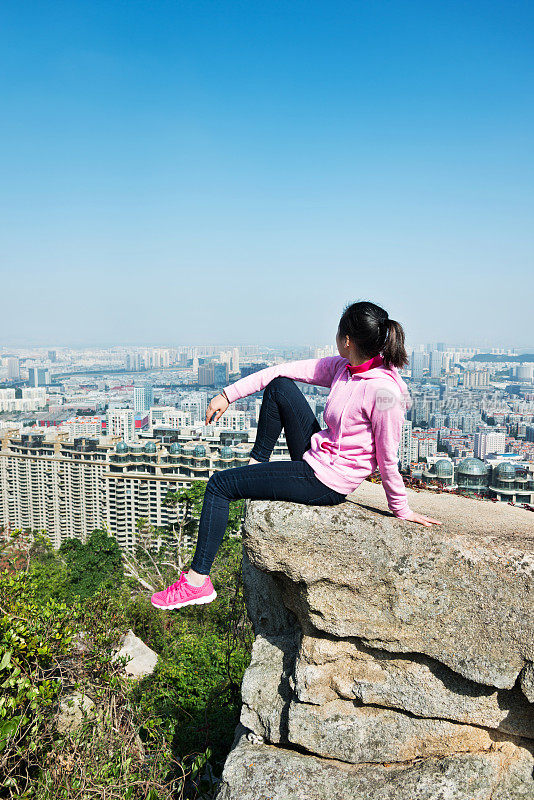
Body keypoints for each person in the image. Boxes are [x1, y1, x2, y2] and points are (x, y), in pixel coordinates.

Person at [151, 300, 442, 611]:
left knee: (219, 485)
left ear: (347, 340)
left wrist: (401, 509)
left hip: (327, 482)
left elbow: (388, 458)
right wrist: (227, 395)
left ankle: (197, 582)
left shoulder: (385, 392)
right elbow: (279, 371)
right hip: (316, 457)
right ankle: (255, 467)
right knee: (279, 387)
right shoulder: (345, 368)